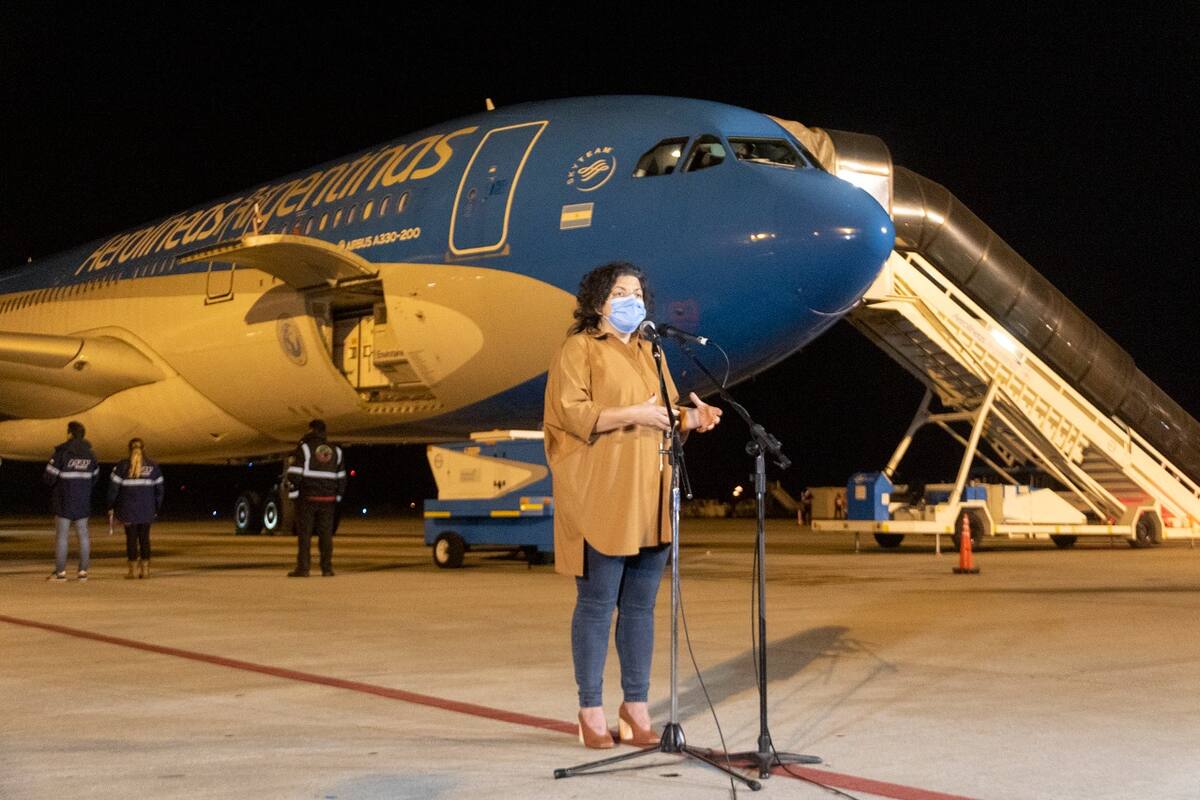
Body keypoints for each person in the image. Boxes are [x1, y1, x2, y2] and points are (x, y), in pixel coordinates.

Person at [543, 262, 723, 749]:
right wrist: (636, 413)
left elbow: (662, 413)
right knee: (598, 604)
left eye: (637, 292)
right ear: (599, 301)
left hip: (651, 491)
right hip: (601, 490)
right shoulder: (579, 349)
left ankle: (636, 706)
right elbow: (572, 413)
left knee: (640, 607)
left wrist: (693, 417)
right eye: (621, 292)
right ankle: (590, 709)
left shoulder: (651, 350)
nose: (631, 300)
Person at [285, 419, 346, 577]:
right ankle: (327, 568)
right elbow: (341, 477)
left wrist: (293, 491)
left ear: (311, 430)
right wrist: (337, 496)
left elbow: (295, 475)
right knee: (326, 535)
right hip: (328, 500)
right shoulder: (336, 451)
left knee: (304, 535)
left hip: (308, 498)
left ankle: (303, 568)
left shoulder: (304, 448)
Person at [44, 421, 99, 581]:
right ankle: (83, 571)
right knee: (83, 535)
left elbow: (49, 477)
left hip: (63, 501)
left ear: (69, 434)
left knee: (62, 537)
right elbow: (95, 477)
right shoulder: (90, 455)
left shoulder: (62, 453)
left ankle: (60, 572)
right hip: (82, 501)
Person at [107, 438, 165, 579]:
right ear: (144, 449)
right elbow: (160, 490)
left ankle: (132, 571)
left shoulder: (122, 466)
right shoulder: (153, 466)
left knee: (131, 539)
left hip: (128, 510)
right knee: (145, 539)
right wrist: (156, 507)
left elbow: (113, 490)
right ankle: (145, 571)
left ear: (129, 449)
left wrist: (111, 505)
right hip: (147, 510)